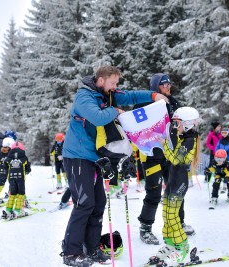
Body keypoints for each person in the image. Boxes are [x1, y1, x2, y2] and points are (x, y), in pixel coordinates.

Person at [60, 66, 169, 267]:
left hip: (93, 158)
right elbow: (97, 117)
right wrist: (115, 110)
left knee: (98, 203)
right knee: (84, 203)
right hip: (77, 157)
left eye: (116, 84)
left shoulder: (105, 95)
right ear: (101, 80)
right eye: (113, 83)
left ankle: (91, 248)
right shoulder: (84, 97)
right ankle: (71, 252)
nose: (115, 87)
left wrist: (154, 95)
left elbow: (130, 96)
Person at [134, 73, 194, 245]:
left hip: (171, 155)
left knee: (176, 190)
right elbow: (134, 128)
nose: (168, 86)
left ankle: (178, 223)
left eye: (169, 83)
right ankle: (145, 228)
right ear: (155, 87)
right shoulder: (144, 103)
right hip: (151, 156)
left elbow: (183, 126)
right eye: (164, 84)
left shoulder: (174, 103)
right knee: (153, 192)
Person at [154, 106, 200, 265]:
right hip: (172, 180)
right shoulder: (183, 137)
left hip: (179, 182)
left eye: (177, 124)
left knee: (173, 217)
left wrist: (165, 144)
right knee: (166, 214)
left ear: (187, 124)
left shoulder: (189, 140)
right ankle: (170, 244)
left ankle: (183, 247)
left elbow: (175, 160)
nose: (174, 127)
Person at [1, 141, 31, 219]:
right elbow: (28, 166)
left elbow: (4, 165)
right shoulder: (23, 156)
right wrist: (27, 170)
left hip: (11, 178)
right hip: (20, 178)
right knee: (21, 194)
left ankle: (8, 210)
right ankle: (18, 210)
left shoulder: (9, 156)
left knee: (12, 194)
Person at [215, 128, 229, 192]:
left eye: (225, 133)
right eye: (222, 133)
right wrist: (219, 152)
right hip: (220, 159)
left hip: (228, 158)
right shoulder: (220, 141)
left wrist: (228, 152)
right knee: (219, 171)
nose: (224, 134)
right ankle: (217, 184)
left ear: (228, 133)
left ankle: (225, 184)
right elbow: (216, 148)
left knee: (227, 172)